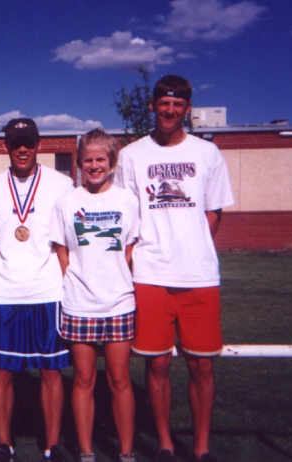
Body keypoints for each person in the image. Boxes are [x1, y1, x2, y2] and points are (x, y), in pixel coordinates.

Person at [114, 75, 235, 462]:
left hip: (199, 275)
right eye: (163, 104)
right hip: (149, 275)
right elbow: (125, 217)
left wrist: (190, 246)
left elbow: (213, 213)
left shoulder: (208, 153)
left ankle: (201, 448)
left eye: (177, 105)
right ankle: (165, 444)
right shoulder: (132, 155)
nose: (169, 111)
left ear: (187, 109)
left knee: (201, 365)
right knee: (158, 362)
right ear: (152, 106)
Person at [0, 118, 73, 462]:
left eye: (29, 142)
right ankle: (4, 444)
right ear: (5, 145)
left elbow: (70, 240)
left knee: (51, 371)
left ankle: (52, 446)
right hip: (6, 292)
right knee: (2, 371)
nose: (23, 149)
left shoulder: (62, 184)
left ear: (38, 145)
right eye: (16, 142)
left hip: (48, 290)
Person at [50, 129, 139, 462]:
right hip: (79, 304)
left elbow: (128, 250)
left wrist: (114, 280)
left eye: (101, 159)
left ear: (112, 161)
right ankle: (86, 452)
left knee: (120, 379)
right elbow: (62, 252)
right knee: (84, 379)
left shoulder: (127, 201)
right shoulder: (67, 202)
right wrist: (79, 282)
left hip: (118, 302)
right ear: (79, 163)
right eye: (87, 160)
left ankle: (126, 452)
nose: (94, 165)